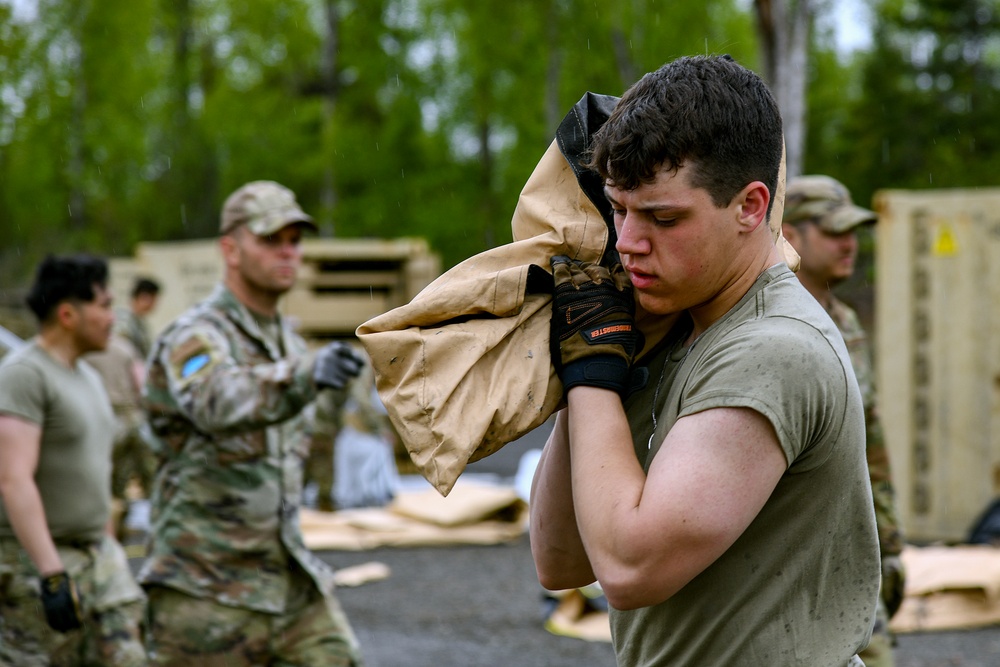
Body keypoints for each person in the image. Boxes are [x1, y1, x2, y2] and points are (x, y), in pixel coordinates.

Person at [529, 55, 881, 666]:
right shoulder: (675, 324)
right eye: (619, 209)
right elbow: (561, 558)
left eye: (664, 217)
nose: (628, 243)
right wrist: (599, 356)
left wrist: (589, 376)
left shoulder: (773, 349)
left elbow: (629, 566)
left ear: (750, 206)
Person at [138, 180, 366, 666]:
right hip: (205, 588)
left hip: (285, 581)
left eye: (294, 240)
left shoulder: (285, 340)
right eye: (270, 240)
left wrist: (335, 387)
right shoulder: (196, 335)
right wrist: (308, 375)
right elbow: (215, 400)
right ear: (230, 249)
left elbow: (302, 443)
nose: (287, 252)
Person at [782, 174, 907, 667]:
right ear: (791, 235)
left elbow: (870, 438)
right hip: (790, 556)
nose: (849, 243)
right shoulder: (763, 323)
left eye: (853, 231)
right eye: (834, 231)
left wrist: (890, 542)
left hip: (851, 550)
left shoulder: (847, 323)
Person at [0, 254, 147, 666]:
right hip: (40, 563)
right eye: (103, 305)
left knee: (130, 656)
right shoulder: (25, 375)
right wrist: (51, 575)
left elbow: (94, 474)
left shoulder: (88, 377)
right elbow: (14, 479)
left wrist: (108, 544)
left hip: (98, 558)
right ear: (67, 313)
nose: (112, 317)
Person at [85, 276, 162, 533]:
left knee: (121, 475)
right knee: (125, 475)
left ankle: (118, 527)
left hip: (119, 411)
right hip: (120, 409)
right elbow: (134, 371)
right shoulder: (126, 327)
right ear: (144, 298)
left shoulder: (135, 324)